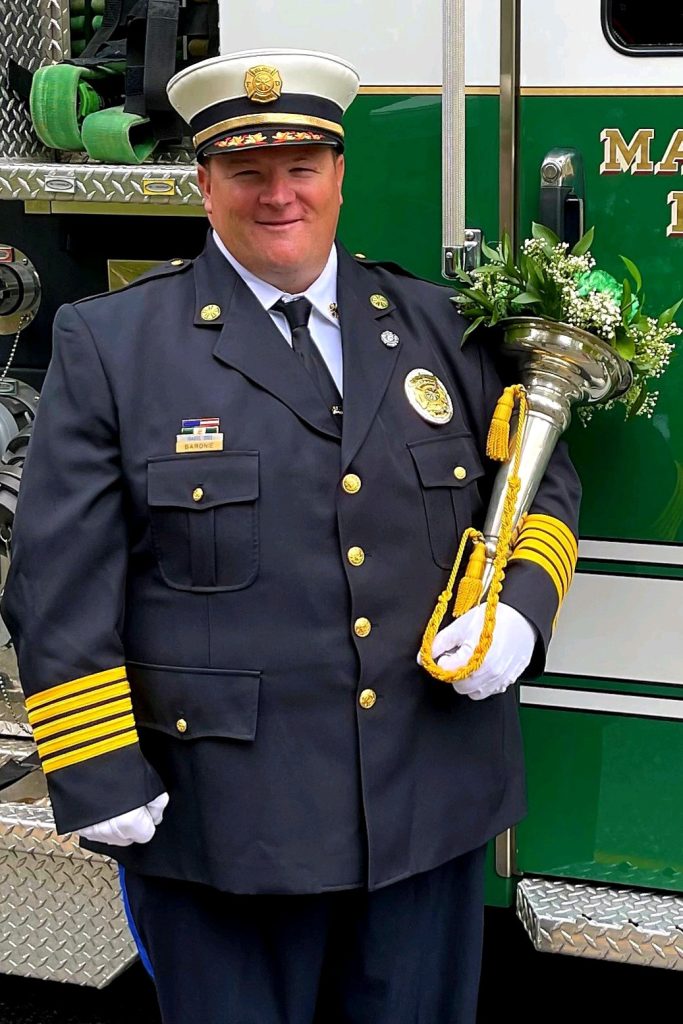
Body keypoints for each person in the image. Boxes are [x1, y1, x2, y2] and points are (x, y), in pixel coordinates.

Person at [1, 48, 581, 1024]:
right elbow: (56, 582)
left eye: (302, 167)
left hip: (424, 808)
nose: (279, 195)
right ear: (205, 183)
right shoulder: (115, 347)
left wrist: (516, 615)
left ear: (340, 173)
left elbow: (541, 481)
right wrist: (97, 769)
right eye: (247, 172)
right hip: (222, 823)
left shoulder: (442, 327)